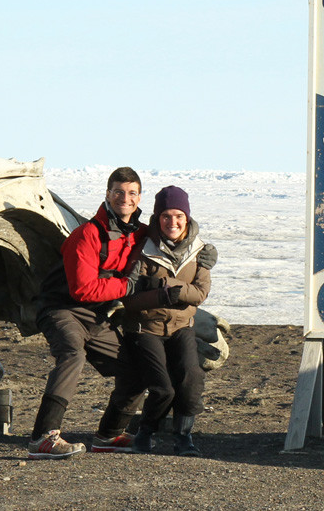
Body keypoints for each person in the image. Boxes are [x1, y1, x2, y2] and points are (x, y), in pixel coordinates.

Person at [27, 167, 148, 460]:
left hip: (97, 315)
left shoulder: (141, 234)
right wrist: (127, 287)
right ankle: (44, 438)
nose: (125, 198)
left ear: (139, 197)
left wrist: (200, 250)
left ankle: (108, 435)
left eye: (132, 193)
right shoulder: (87, 234)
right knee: (72, 355)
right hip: (61, 309)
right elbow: (83, 289)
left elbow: (176, 229)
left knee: (136, 370)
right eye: (118, 192)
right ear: (108, 194)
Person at [120, 185, 215, 457]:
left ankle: (183, 437)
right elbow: (129, 299)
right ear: (157, 217)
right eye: (165, 216)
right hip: (145, 328)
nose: (172, 222)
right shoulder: (142, 250)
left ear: (187, 218)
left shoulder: (200, 252)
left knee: (191, 377)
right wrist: (161, 296)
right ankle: (145, 433)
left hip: (182, 327)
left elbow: (200, 293)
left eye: (178, 216)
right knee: (163, 388)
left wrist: (168, 286)